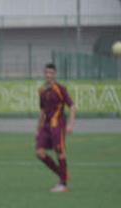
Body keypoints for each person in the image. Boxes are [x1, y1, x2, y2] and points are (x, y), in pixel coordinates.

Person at [35, 63, 76, 193]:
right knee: (39, 153)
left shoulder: (60, 89)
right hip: (45, 126)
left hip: (57, 124)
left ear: (55, 74)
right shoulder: (41, 90)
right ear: (44, 74)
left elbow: (72, 107)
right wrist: (38, 128)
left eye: (51, 73)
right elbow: (42, 111)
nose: (48, 75)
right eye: (46, 72)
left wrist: (70, 124)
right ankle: (61, 173)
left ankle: (63, 184)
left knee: (59, 151)